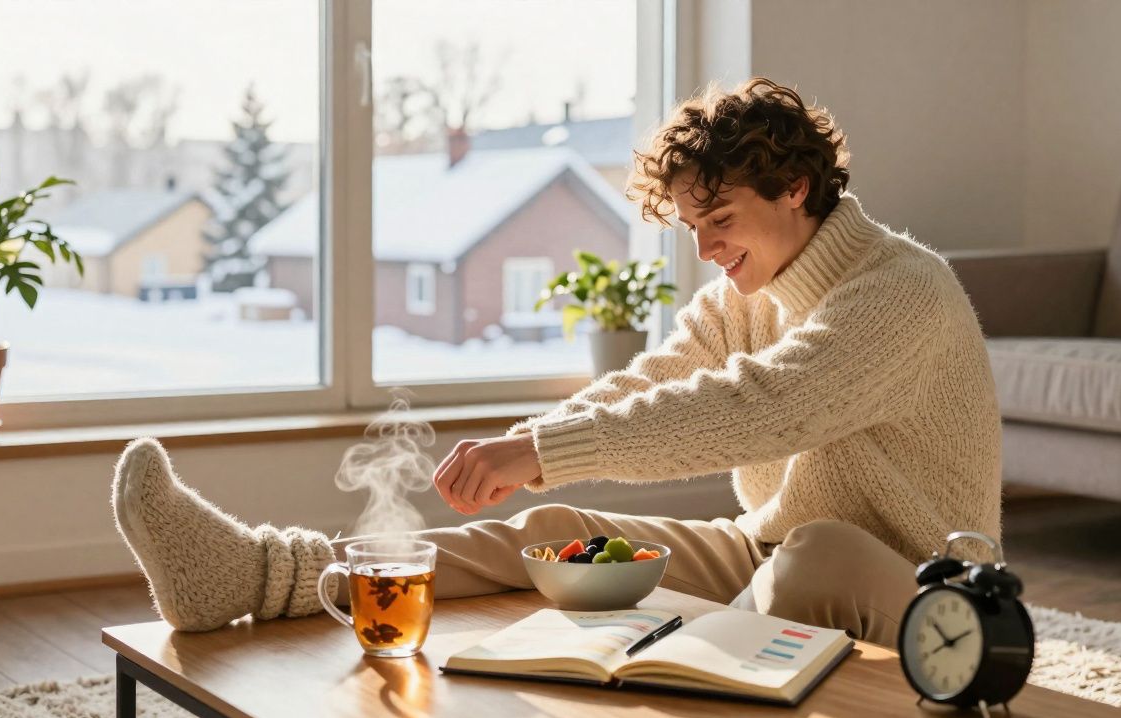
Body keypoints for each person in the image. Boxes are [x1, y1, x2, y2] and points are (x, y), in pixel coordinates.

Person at [111, 77, 1001, 648]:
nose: (706, 249)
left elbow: (764, 407)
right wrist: (535, 445)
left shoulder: (901, 293)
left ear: (795, 187)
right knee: (555, 531)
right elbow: (661, 381)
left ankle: (719, 680)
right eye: (692, 229)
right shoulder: (745, 295)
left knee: (813, 561)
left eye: (719, 219)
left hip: (923, 586)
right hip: (757, 554)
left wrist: (539, 449)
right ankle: (268, 573)